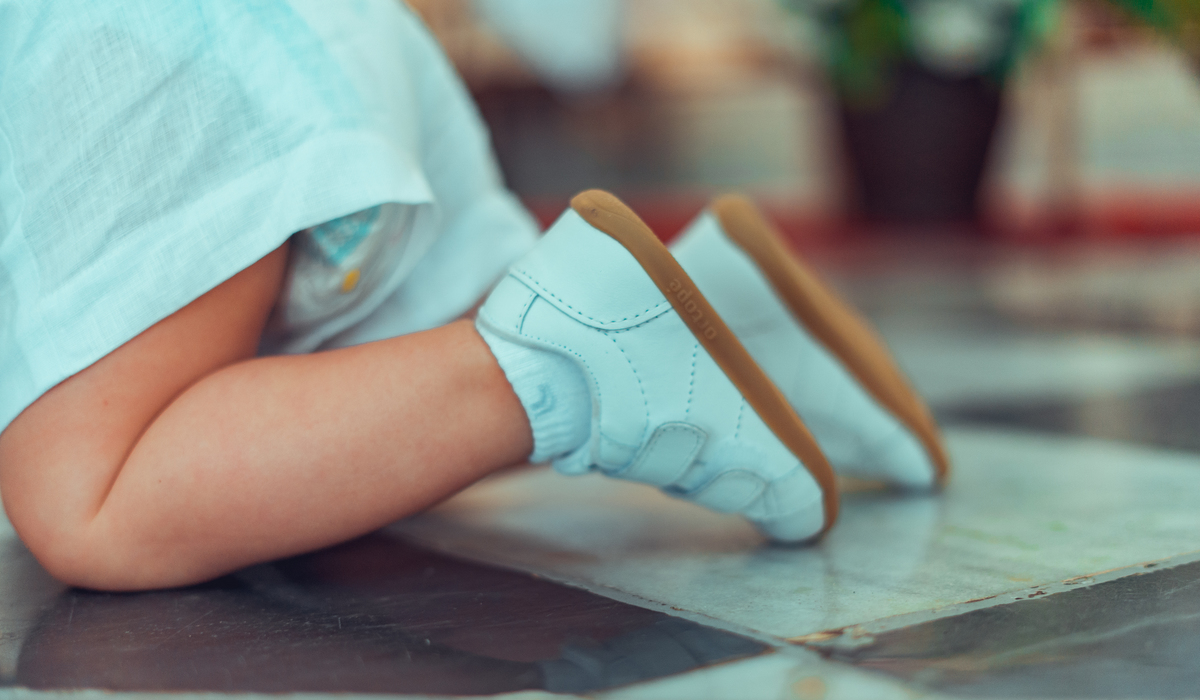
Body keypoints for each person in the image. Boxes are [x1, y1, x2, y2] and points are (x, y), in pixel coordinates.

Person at [0, 0, 947, 593]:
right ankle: (720, 323)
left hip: (125, 47)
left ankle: (573, 365)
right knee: (392, 350)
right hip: (295, 36)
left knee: (100, 490)